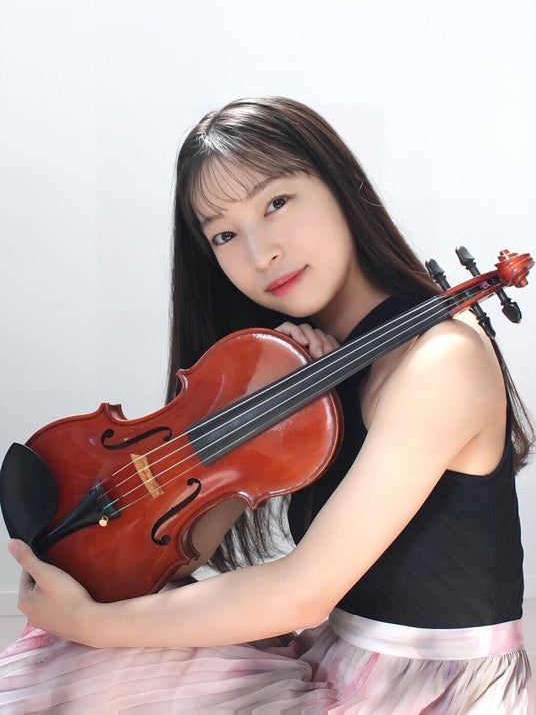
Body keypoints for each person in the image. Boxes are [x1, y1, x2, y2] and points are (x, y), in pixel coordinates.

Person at [0, 96, 533, 713]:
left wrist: (92, 624)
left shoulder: (443, 360)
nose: (260, 254)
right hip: (336, 659)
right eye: (225, 235)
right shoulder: (306, 365)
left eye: (276, 202)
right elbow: (186, 548)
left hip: (435, 694)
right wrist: (256, 414)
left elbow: (303, 593)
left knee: (89, 656)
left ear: (339, 185)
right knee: (65, 662)